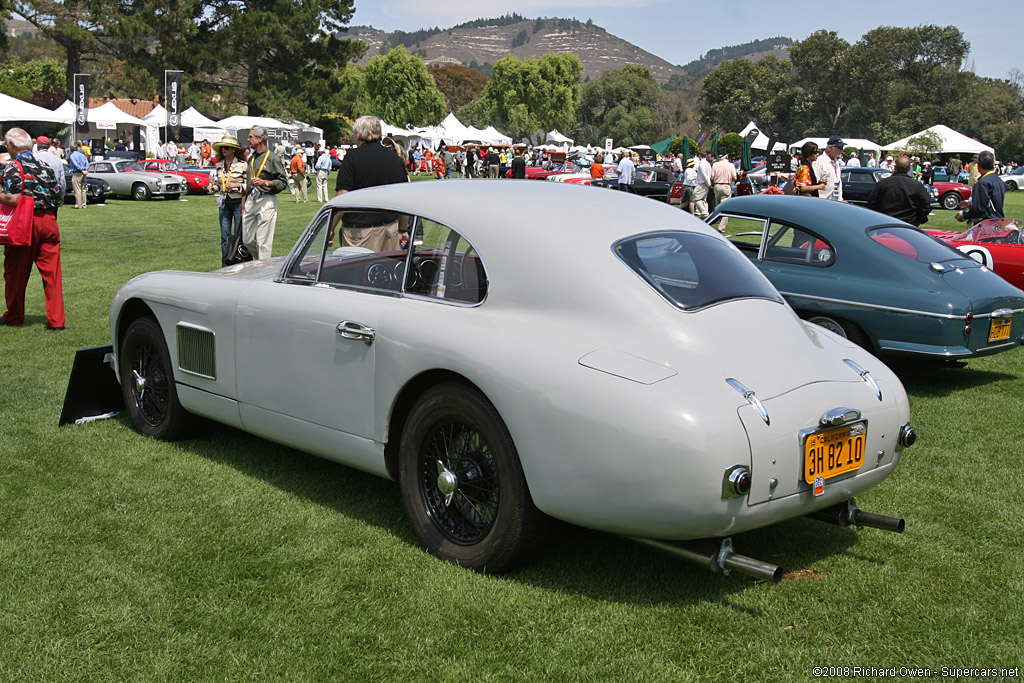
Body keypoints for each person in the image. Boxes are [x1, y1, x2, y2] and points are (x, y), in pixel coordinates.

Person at [0, 128, 65, 329]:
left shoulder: (13, 167)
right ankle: (56, 320)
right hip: (49, 222)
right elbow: (58, 196)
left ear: (12, 146)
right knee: (52, 274)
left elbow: (13, 198)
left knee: (15, 273)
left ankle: (15, 315)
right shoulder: (46, 166)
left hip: (24, 223)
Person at [331, 115, 409, 250]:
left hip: (360, 232)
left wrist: (330, 227)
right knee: (388, 269)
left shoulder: (353, 157)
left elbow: (344, 195)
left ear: (359, 134)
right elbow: (404, 197)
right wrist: (402, 229)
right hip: (390, 229)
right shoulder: (394, 158)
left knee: (359, 270)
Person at [241, 126, 288, 260]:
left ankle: (264, 269)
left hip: (266, 200)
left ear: (260, 139)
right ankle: (268, 262)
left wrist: (265, 183)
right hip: (252, 199)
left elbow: (283, 182)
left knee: (263, 243)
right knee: (248, 240)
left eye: (251, 137)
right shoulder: (252, 158)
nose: (248, 139)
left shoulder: (272, 158)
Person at [208, 135, 249, 266]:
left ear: (233, 150)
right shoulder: (219, 165)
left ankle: (239, 262)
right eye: (222, 148)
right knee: (224, 236)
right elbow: (220, 185)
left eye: (226, 148)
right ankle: (226, 265)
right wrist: (213, 188)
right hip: (225, 203)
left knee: (239, 236)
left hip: (239, 204)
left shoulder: (243, 165)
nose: (223, 150)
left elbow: (249, 186)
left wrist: (238, 186)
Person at [867, 155, 932, 226]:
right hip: (908, 224)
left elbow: (871, 202)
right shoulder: (916, 185)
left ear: (895, 167)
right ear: (909, 168)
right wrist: (920, 219)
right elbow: (926, 203)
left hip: (885, 224)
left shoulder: (883, 184)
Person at [957, 150, 1004, 225]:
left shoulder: (982, 183)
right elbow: (990, 202)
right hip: (998, 221)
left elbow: (978, 209)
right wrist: (971, 203)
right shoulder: (998, 180)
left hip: (986, 224)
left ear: (978, 165)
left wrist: (963, 216)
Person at [33, 137, 66, 211]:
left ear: (37, 146)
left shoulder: (33, 158)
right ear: (49, 146)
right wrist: (62, 195)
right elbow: (62, 180)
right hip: (53, 195)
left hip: (37, 196)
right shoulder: (56, 159)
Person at [67, 141, 90, 209]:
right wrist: (86, 169)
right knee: (83, 189)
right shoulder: (82, 155)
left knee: (77, 189)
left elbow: (75, 164)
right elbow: (87, 163)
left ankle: (78, 204)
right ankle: (84, 204)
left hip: (77, 173)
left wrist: (81, 170)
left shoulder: (72, 155)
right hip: (84, 173)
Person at [693, 152, 714, 218]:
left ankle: (704, 214)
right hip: (704, 183)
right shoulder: (707, 163)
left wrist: (708, 184)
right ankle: (706, 213)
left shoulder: (702, 164)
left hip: (702, 184)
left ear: (699, 155)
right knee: (703, 200)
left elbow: (705, 175)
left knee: (696, 199)